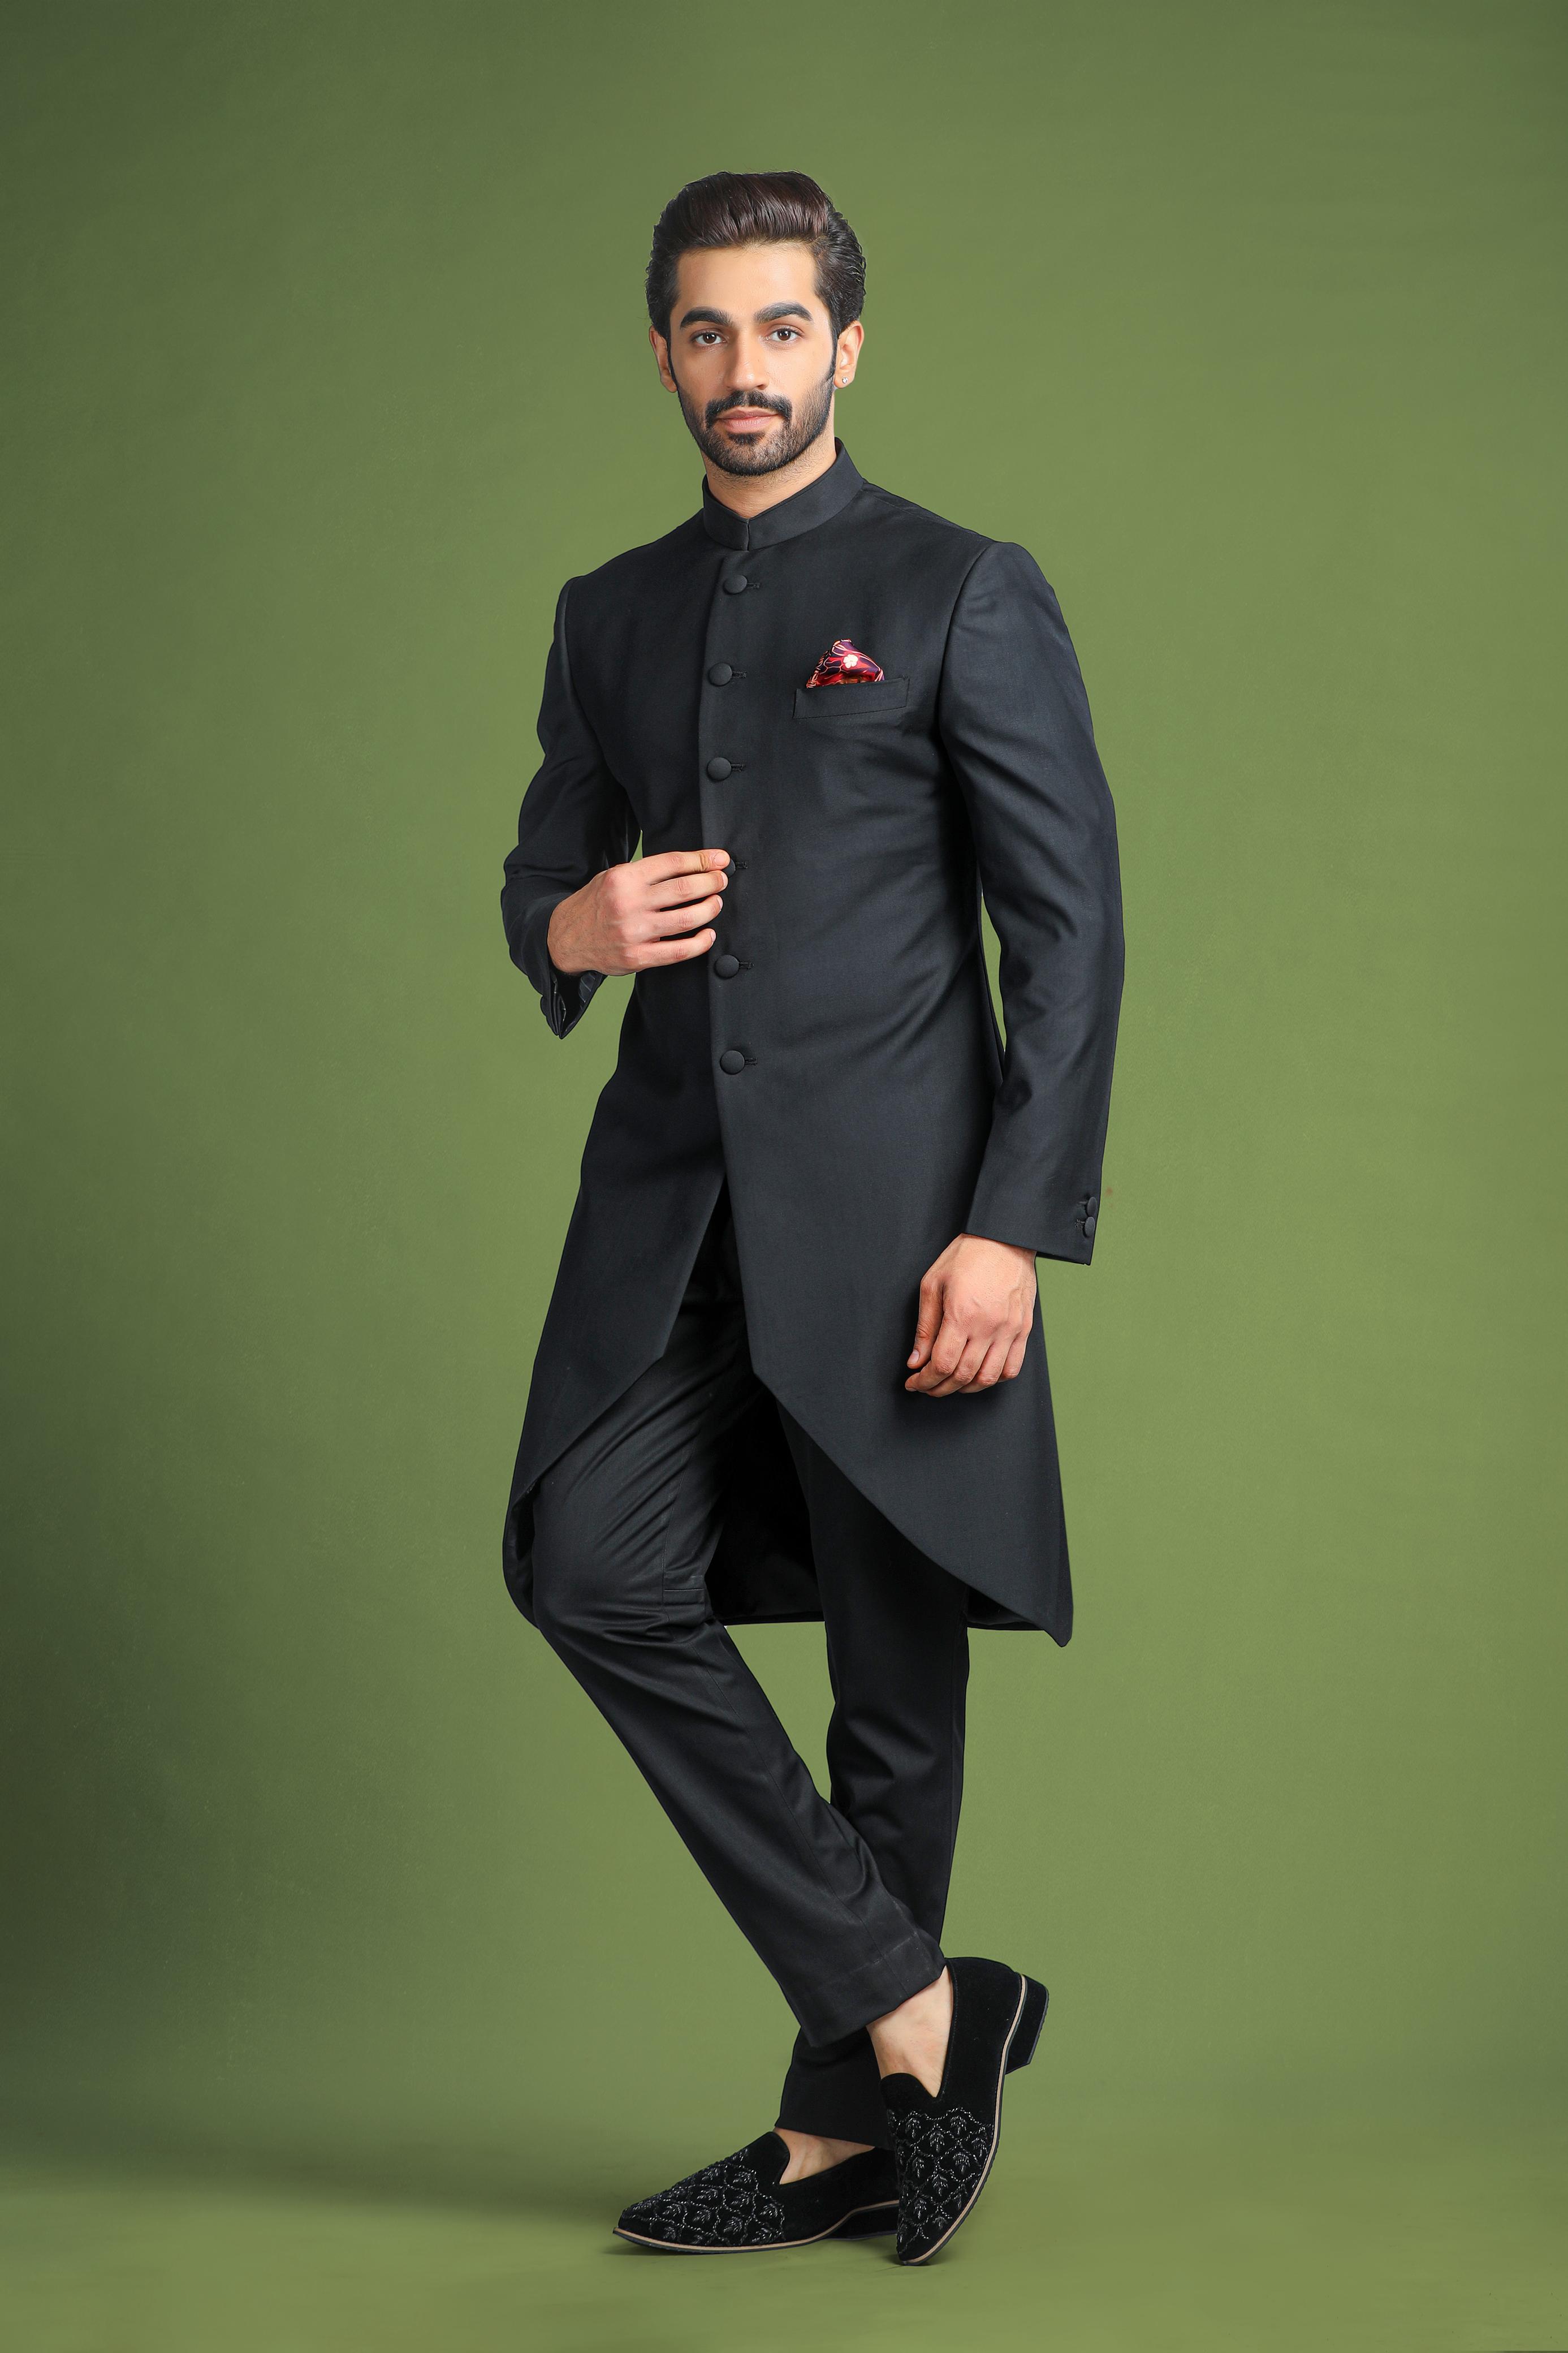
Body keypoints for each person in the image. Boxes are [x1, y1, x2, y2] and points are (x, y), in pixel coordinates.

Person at [499, 170, 1123, 2264]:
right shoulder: (606, 611)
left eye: (782, 328)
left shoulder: (960, 589)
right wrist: (574, 926)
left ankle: (833, 2135)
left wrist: (1012, 1228)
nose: (744, 367)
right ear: (663, 351)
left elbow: (1071, 933)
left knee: (892, 1687)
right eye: (707, 329)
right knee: (587, 1570)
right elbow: (543, 875)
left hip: (906, 1234)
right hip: (668, 1219)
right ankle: (928, 2013)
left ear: (846, 346)